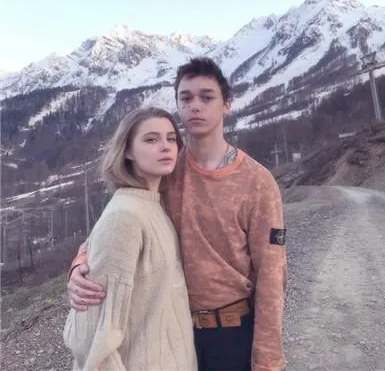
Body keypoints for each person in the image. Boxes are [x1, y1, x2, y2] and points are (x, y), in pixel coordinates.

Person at [68, 57, 288, 371]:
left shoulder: (256, 182)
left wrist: (267, 359)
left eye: (206, 97)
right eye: (185, 98)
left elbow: (272, 273)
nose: (195, 106)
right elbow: (116, 224)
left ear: (226, 104)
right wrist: (80, 265)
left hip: (230, 334)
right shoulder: (165, 169)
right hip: (168, 333)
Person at [63, 107, 197, 371]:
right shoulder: (124, 215)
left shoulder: (153, 203)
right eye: (151, 139)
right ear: (127, 151)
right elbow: (93, 335)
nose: (165, 146)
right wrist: (78, 268)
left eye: (171, 138)